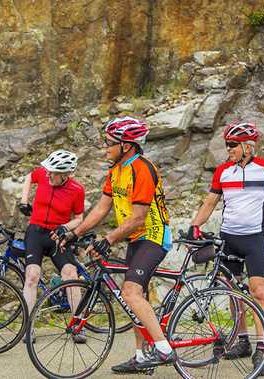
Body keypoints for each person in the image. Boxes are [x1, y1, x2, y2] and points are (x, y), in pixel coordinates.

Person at [61, 116, 175, 373]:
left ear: (127, 145)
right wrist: (73, 232)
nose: (105, 148)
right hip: (135, 238)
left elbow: (138, 218)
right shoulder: (116, 171)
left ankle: (164, 350)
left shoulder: (142, 169)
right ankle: (141, 356)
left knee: (131, 292)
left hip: (153, 236)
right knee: (137, 297)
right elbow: (101, 209)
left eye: (110, 143)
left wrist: (109, 239)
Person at [189, 121, 264, 376]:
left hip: (254, 239)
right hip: (228, 239)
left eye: (233, 145)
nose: (229, 149)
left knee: (258, 293)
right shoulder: (223, 171)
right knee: (233, 291)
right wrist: (195, 225)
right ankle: (244, 340)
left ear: (248, 146)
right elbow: (210, 201)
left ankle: (262, 347)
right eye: (227, 145)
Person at [18, 149, 86, 342]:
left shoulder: (76, 190)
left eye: (53, 173)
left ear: (64, 174)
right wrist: (24, 201)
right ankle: (28, 327)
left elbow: (79, 218)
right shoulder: (43, 173)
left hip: (57, 235)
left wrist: (66, 227)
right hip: (36, 232)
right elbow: (28, 177)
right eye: (47, 171)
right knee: (31, 276)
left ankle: (77, 325)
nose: (47, 175)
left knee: (70, 274)